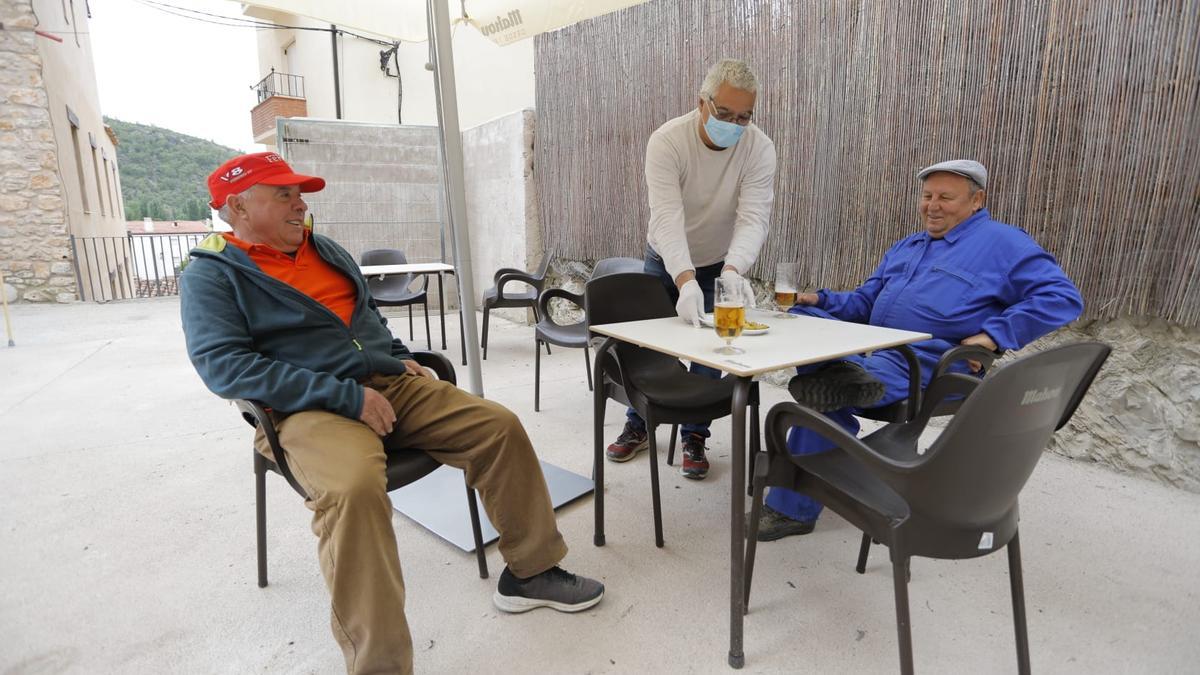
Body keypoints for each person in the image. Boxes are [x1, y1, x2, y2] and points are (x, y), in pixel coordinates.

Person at [180, 152, 604, 674]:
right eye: (284, 194)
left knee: (497, 426)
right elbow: (225, 367)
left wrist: (395, 353)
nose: (301, 204)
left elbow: (366, 314)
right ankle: (379, 666)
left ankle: (531, 572)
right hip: (305, 408)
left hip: (383, 383)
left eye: (300, 192)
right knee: (354, 489)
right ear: (239, 206)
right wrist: (347, 398)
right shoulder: (213, 275)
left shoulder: (325, 249)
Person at [755, 159, 1084, 540]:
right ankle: (840, 382)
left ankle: (794, 501)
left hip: (930, 363)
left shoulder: (1004, 243)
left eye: (946, 197)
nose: (933, 205)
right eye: (927, 196)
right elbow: (865, 302)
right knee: (800, 323)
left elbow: (1063, 297)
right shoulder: (909, 246)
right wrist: (818, 299)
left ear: (978, 200)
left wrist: (995, 335)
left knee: (822, 393)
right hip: (872, 349)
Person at [605, 58, 778, 480]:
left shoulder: (759, 147)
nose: (734, 125)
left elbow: (753, 216)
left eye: (744, 116)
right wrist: (683, 279)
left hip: (719, 260)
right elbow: (666, 217)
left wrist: (734, 271)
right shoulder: (668, 141)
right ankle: (638, 421)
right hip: (665, 256)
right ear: (701, 103)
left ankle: (695, 435)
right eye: (724, 114)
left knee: (709, 352)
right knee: (650, 348)